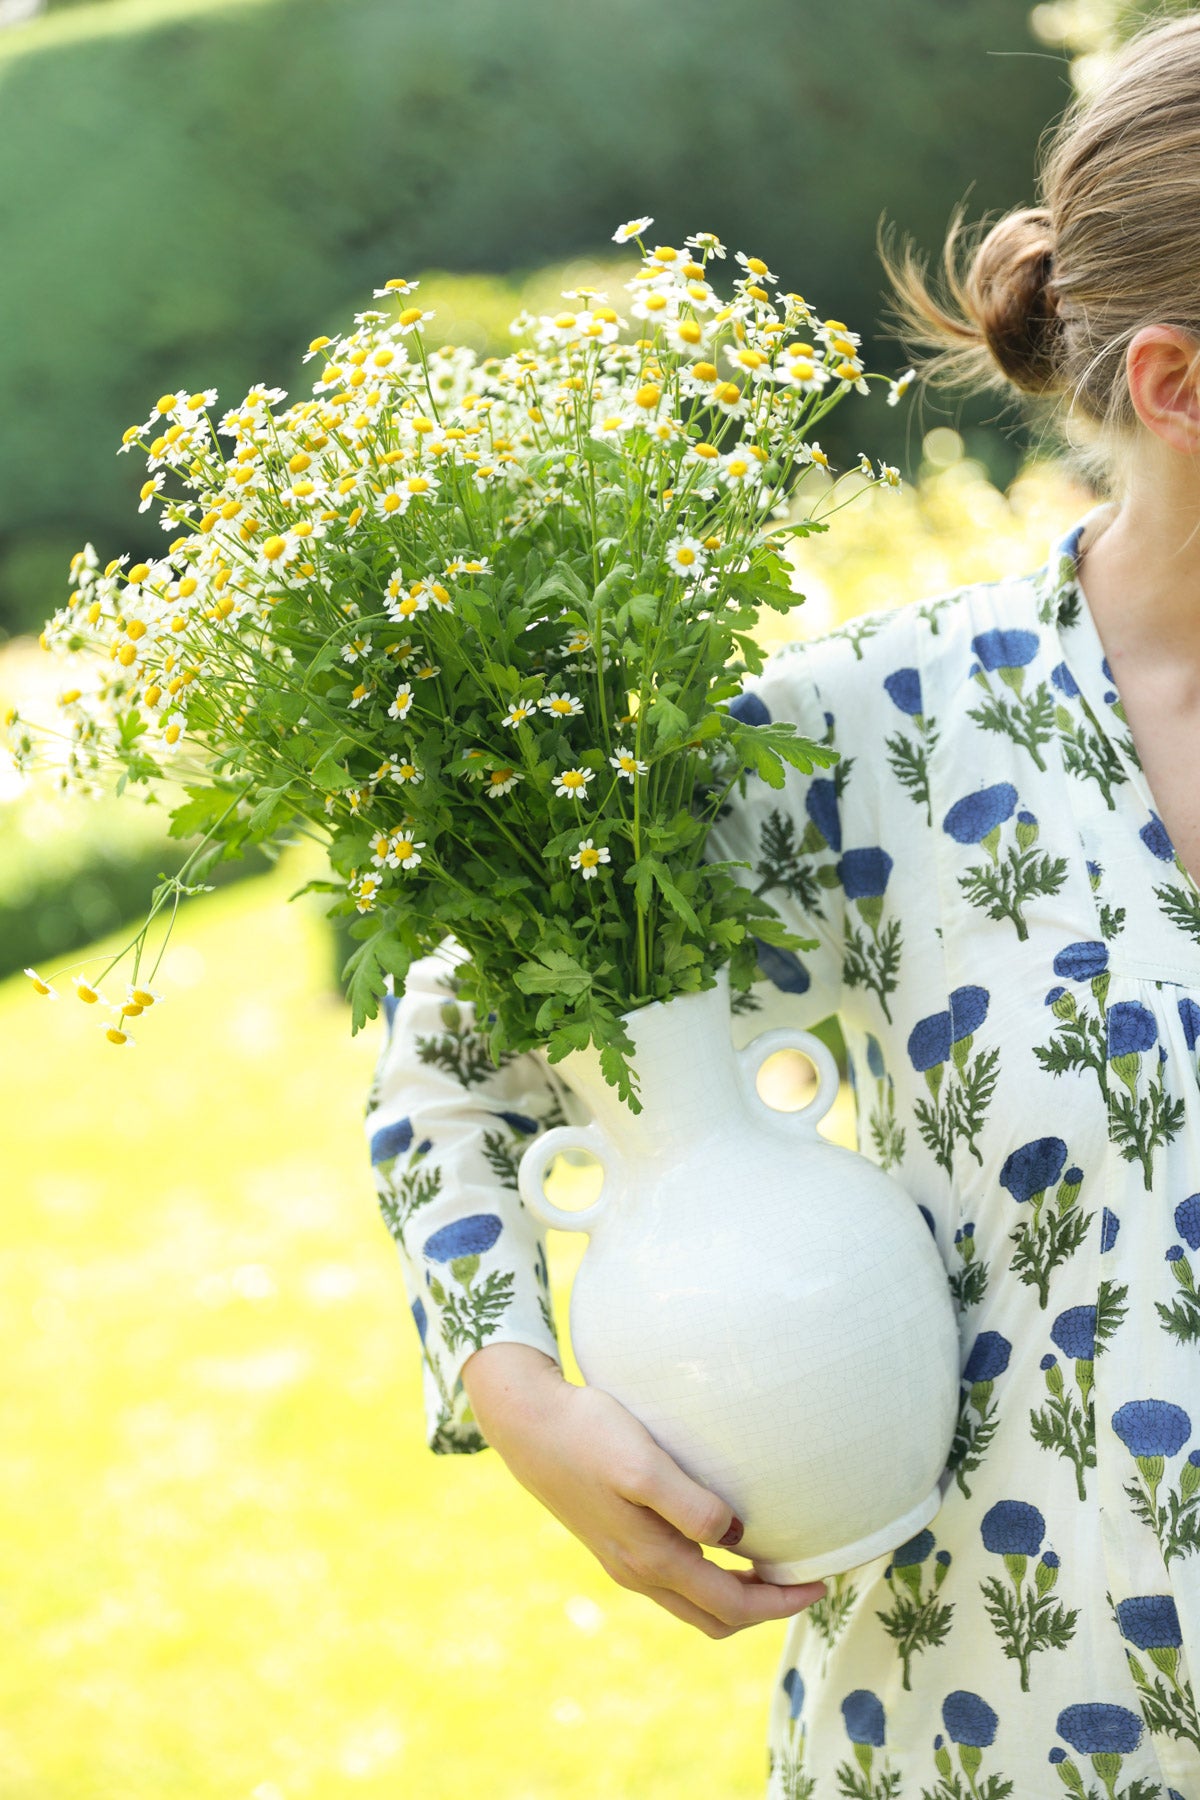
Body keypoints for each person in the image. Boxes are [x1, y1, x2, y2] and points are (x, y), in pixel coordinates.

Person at [363, 14, 1200, 1793]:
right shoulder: (889, 733)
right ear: (1176, 385)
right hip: (1009, 1733)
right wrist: (526, 1403)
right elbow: (454, 1050)